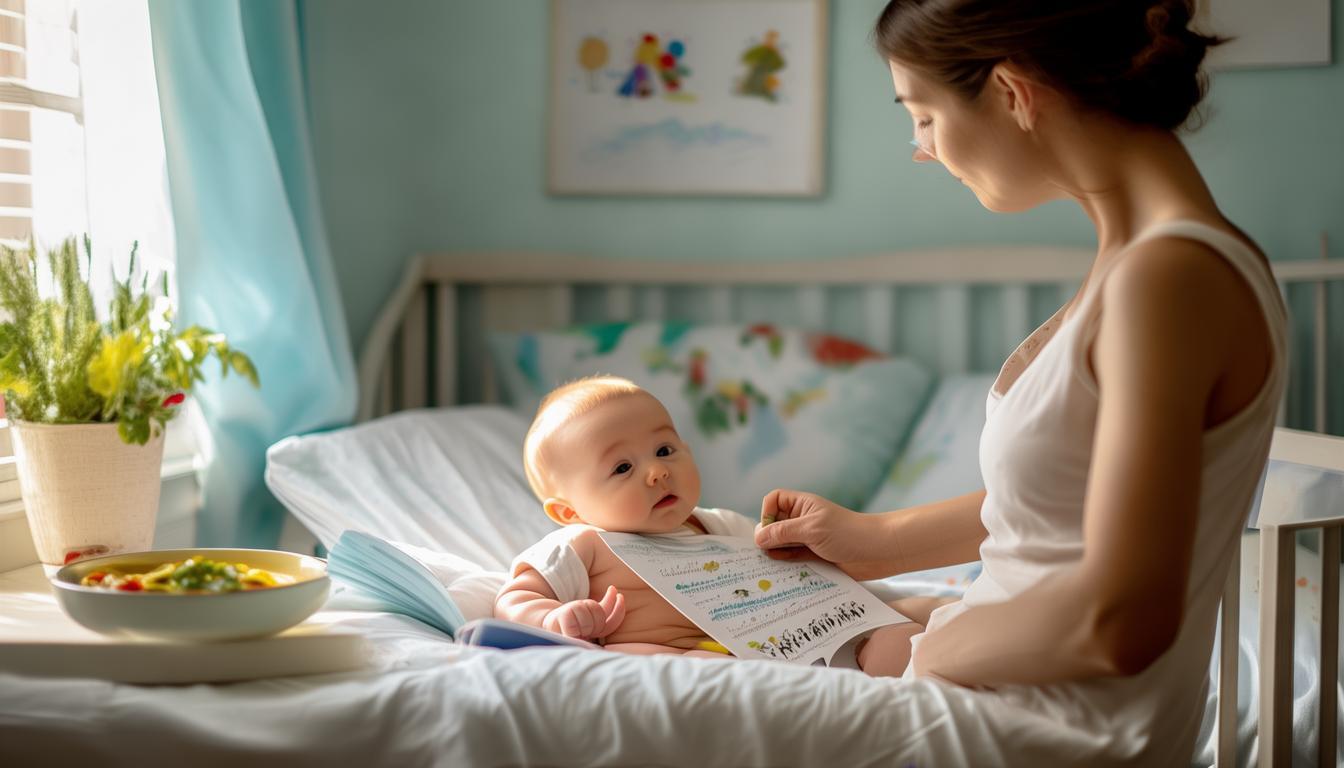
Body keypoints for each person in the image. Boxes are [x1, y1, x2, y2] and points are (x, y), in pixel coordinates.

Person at [754, 0, 1286, 762]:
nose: (922, 148)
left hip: (1043, 730)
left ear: (1011, 92)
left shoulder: (1169, 277)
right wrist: (873, 545)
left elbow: (1121, 620)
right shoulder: (1143, 265)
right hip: (1000, 697)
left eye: (925, 116)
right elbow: (1071, 497)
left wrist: (929, 649)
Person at [495, 375, 919, 666]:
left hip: (774, 644)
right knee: (653, 666)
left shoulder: (719, 526)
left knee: (898, 628)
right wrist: (554, 619)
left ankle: (908, 686)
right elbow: (512, 600)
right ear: (569, 512)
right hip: (670, 655)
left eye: (664, 451)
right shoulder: (584, 544)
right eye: (622, 468)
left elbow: (793, 569)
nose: (657, 472)